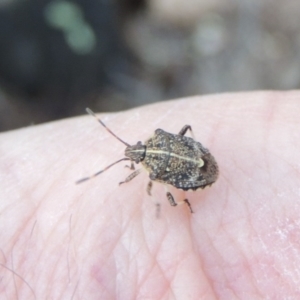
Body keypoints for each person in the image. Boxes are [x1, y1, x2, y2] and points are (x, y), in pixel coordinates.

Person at [1, 92, 299, 299]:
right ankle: (183, 199)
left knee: (169, 198)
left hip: (199, 170)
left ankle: (184, 203)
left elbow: (141, 178)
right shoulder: (156, 139)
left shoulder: (151, 169)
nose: (131, 154)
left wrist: (140, 179)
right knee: (176, 159)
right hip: (195, 158)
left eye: (134, 155)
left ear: (141, 153)